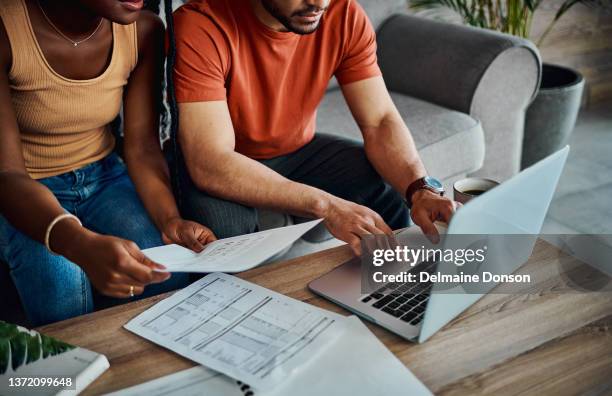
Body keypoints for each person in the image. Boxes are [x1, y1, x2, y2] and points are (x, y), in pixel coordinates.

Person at [169, 0, 459, 256]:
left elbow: (380, 120)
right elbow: (210, 160)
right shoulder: (201, 23)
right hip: (227, 159)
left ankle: (395, 289)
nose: (319, 3)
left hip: (300, 151)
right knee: (228, 238)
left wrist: (421, 189)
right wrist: (327, 206)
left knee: (387, 185)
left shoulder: (344, 15)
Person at [0, 0, 216, 326]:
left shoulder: (143, 30)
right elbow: (7, 175)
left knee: (163, 272)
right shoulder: (6, 29)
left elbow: (142, 146)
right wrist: (77, 242)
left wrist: (170, 219)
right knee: (62, 290)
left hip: (104, 175)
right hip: (24, 187)